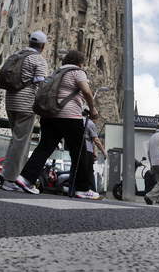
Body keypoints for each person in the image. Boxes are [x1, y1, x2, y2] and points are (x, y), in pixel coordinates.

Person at [15, 50, 101, 200]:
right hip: (70, 117)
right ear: (80, 62)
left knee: (44, 148)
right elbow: (86, 91)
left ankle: (25, 178)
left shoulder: (56, 73)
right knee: (79, 152)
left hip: (49, 116)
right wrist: (93, 109)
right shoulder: (77, 72)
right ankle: (82, 188)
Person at [0, 31, 49, 191]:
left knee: (16, 139)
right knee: (21, 142)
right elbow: (41, 84)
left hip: (10, 102)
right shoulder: (38, 59)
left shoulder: (17, 55)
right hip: (26, 105)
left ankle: (6, 174)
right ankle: (10, 180)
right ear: (42, 46)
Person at [83, 117, 105, 192]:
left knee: (81, 170)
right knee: (89, 172)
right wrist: (104, 152)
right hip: (87, 150)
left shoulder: (79, 121)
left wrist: (94, 153)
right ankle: (92, 190)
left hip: (80, 149)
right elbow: (96, 140)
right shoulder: (90, 123)